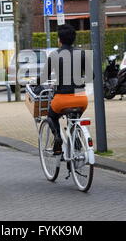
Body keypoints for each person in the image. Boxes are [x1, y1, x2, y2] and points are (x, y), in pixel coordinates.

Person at [38, 24, 88, 155]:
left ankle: (58, 138)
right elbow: (91, 76)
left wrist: (34, 83)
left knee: (51, 116)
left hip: (62, 99)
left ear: (59, 40)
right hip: (81, 98)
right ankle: (75, 134)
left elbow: (43, 78)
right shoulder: (82, 54)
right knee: (75, 116)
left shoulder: (54, 55)